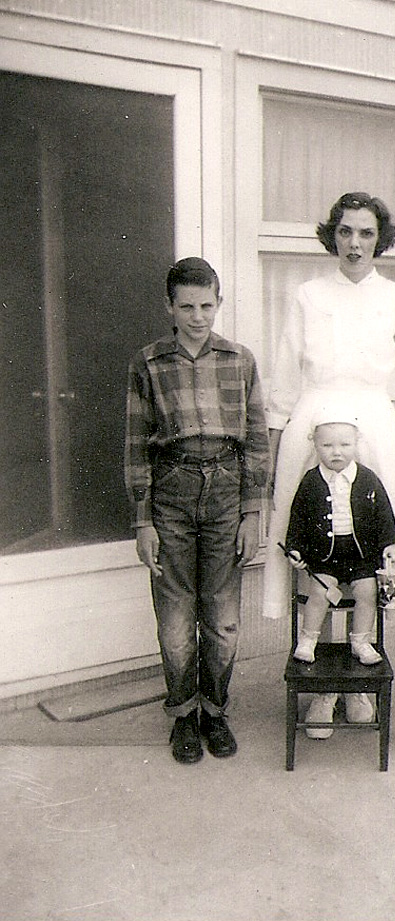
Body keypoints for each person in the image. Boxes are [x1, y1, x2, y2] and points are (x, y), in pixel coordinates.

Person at [264, 191, 395, 736]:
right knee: (318, 562)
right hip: (315, 425)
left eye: (365, 233)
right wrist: (276, 459)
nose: (355, 243)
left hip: (375, 429)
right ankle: (322, 694)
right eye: (345, 231)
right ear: (332, 236)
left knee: (369, 562)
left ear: (379, 239)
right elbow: (286, 378)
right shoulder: (307, 295)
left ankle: (359, 690)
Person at [125, 257, 270, 764]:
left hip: (228, 489)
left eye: (207, 305)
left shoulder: (240, 360)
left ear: (219, 303)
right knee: (175, 619)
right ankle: (184, 715)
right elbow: (136, 443)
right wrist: (143, 519)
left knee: (223, 617)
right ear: (169, 306)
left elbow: (255, 439)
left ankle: (215, 710)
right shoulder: (148, 363)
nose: (197, 316)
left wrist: (254, 512)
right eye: (186, 306)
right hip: (171, 490)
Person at [285, 405, 395, 668]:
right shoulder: (311, 481)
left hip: (361, 555)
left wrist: (389, 543)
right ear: (314, 444)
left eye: (345, 444)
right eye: (327, 445)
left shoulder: (368, 478)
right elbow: (298, 518)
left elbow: (383, 514)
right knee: (320, 591)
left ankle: (360, 640)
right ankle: (308, 639)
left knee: (367, 591)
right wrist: (295, 549)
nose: (336, 452)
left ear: (356, 443)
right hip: (324, 556)